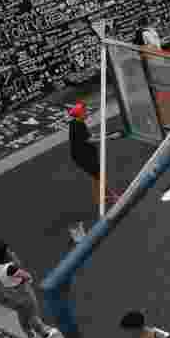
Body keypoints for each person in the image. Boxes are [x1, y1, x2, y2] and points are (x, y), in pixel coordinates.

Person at [0, 239, 56, 338]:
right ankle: (44, 334)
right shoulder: (10, 268)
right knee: (32, 313)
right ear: (4, 253)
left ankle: (30, 335)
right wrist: (14, 258)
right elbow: (25, 274)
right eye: (7, 250)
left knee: (22, 313)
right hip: (22, 291)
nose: (9, 251)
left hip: (9, 292)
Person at [68, 102, 119, 241]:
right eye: (84, 112)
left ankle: (102, 196)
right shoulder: (78, 125)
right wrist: (108, 137)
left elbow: (88, 136)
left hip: (83, 155)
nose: (86, 113)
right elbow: (90, 139)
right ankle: (111, 195)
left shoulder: (75, 123)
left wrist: (104, 134)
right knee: (99, 175)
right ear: (79, 114)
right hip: (83, 157)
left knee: (98, 176)